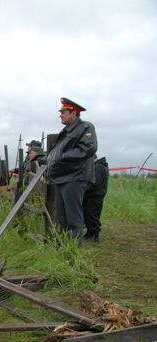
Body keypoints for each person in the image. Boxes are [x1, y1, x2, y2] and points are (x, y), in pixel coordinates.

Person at [45, 97, 98, 242]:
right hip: (62, 177)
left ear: (74, 113)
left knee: (73, 216)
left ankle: (73, 249)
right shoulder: (66, 132)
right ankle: (65, 245)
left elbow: (89, 148)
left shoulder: (85, 127)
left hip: (74, 177)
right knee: (62, 216)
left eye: (63, 111)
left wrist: (61, 157)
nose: (60, 114)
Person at [83, 155, 109, 242]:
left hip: (93, 195)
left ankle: (93, 234)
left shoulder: (97, 167)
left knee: (91, 215)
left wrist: (84, 189)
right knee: (93, 215)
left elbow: (94, 183)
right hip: (98, 195)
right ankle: (91, 233)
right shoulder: (103, 166)